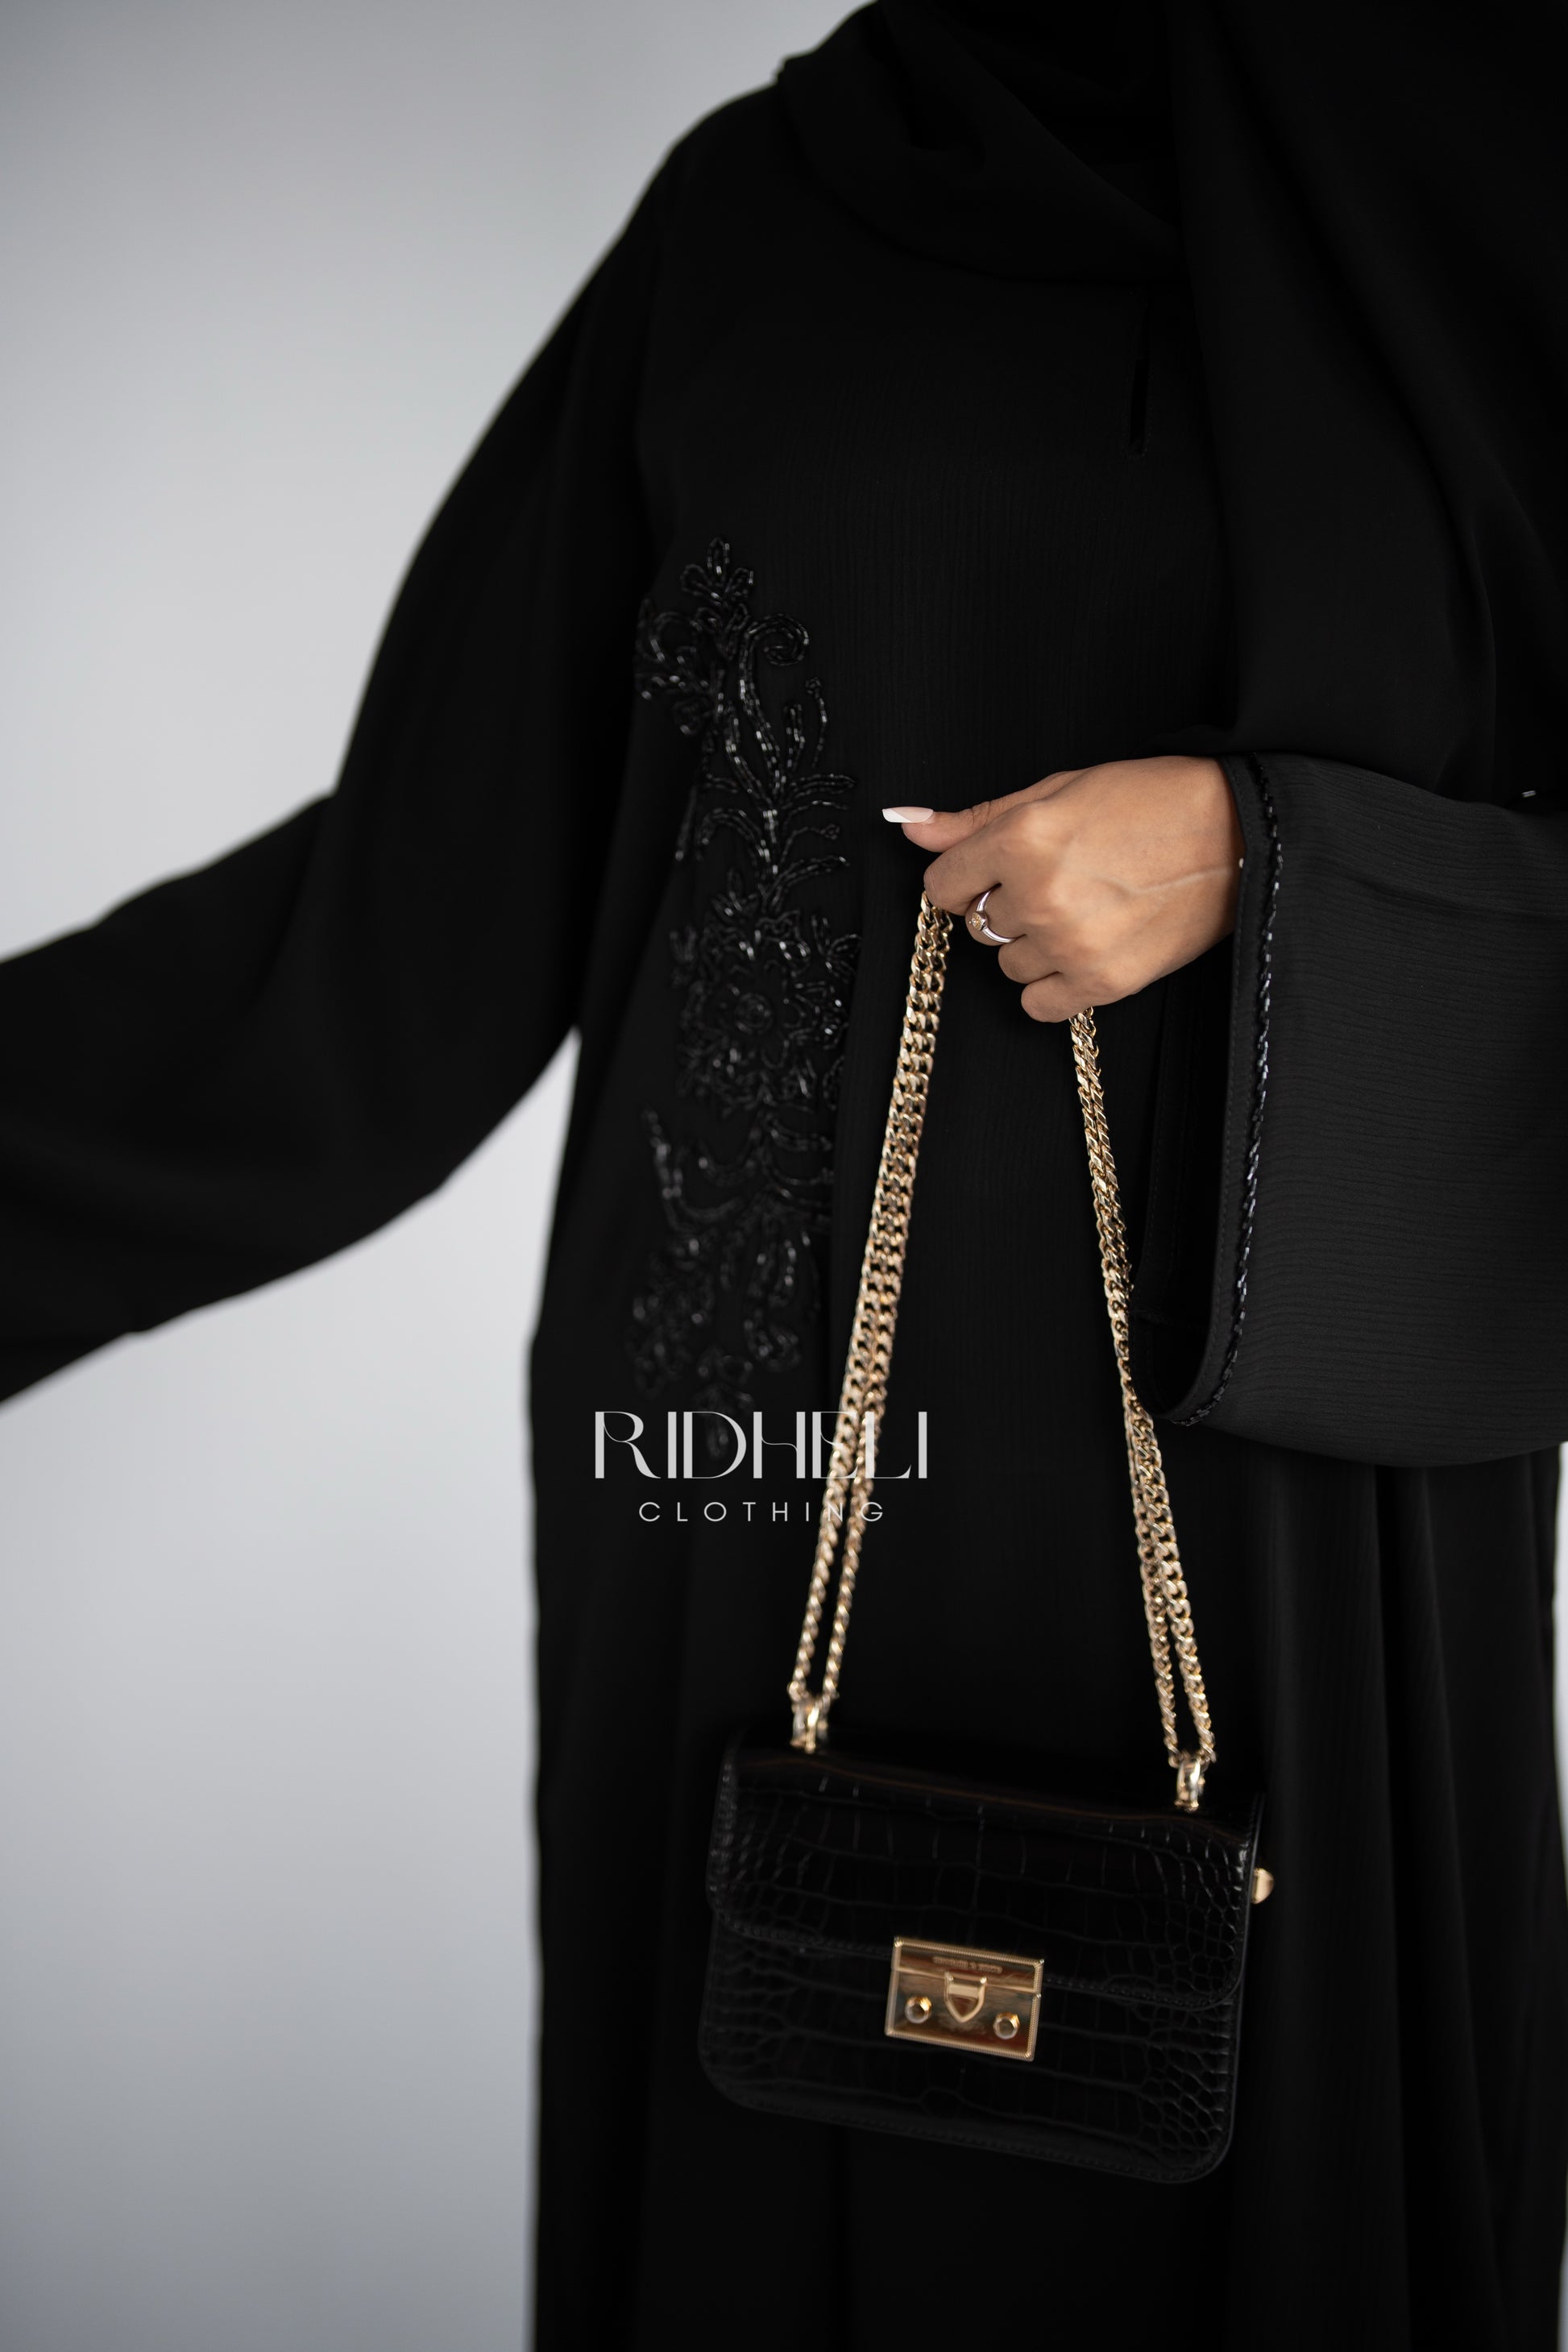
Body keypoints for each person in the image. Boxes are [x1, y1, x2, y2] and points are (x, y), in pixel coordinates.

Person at [2, 3, 1566, 2344]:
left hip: (1294, 1546)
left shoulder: (1498, 202)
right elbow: (404, 918)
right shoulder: (765, 218)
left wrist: (1281, 859)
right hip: (764, 1485)